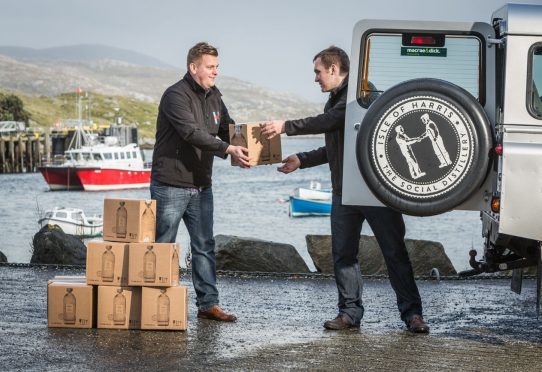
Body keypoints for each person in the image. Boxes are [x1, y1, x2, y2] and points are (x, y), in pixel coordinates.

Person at [261, 46, 429, 333]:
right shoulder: (335, 101)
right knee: (343, 255)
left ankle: (413, 315)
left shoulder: (363, 96)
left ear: (334, 69)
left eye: (318, 72)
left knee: (394, 252)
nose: (315, 78)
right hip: (343, 192)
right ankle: (349, 314)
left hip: (376, 190)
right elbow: (334, 146)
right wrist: (302, 159)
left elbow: (332, 120)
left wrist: (286, 127)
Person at [150, 42, 250, 322]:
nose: (215, 72)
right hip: (170, 184)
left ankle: (208, 304)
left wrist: (254, 148)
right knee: (163, 245)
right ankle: (157, 301)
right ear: (193, 68)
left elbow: (229, 129)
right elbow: (191, 133)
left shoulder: (215, 95)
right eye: (210, 67)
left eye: (217, 67)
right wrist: (228, 150)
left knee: (204, 245)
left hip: (201, 185)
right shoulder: (174, 96)